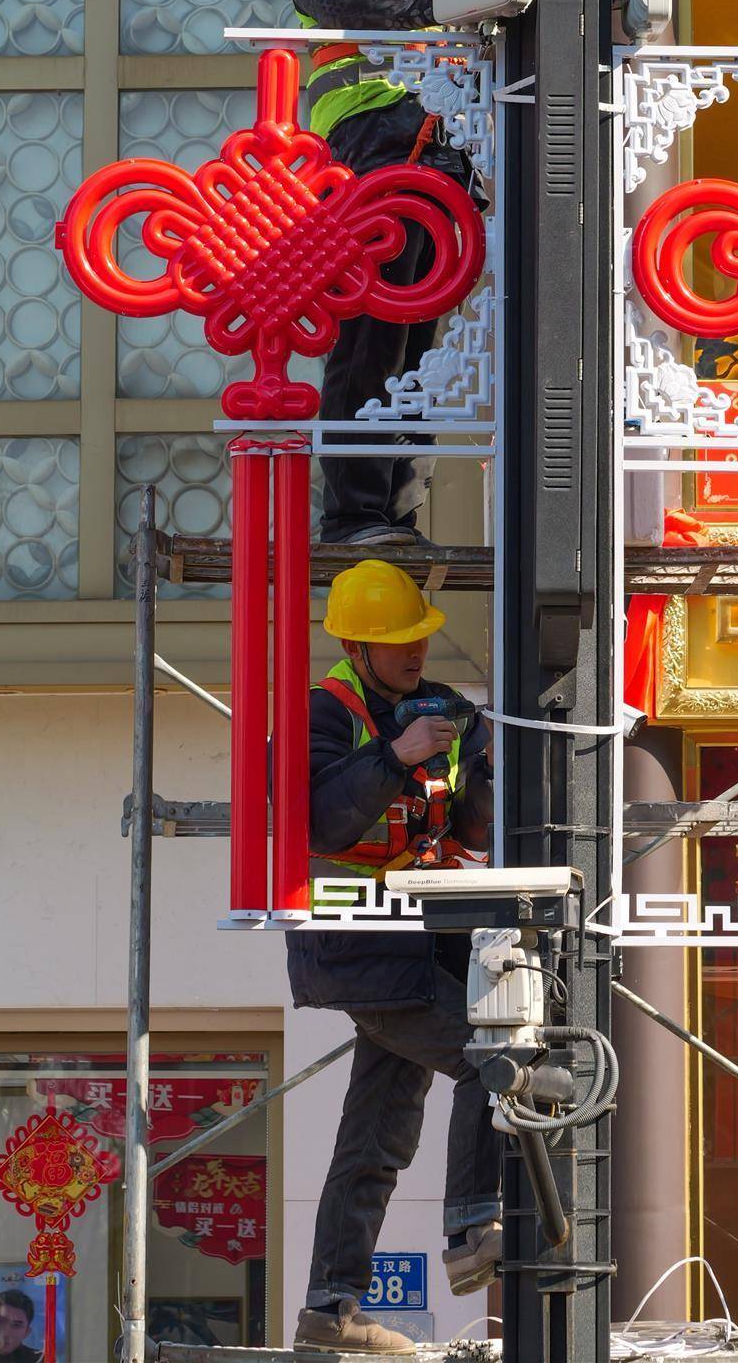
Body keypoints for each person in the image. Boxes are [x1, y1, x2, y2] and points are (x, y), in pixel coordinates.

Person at [290, 559, 501, 1357]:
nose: (414, 651)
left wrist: (482, 775)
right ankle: (472, 1228)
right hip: (356, 946)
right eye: (394, 640)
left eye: (417, 635)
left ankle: (329, 1313)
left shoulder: (442, 709)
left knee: (374, 1133)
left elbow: (469, 831)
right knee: (495, 1057)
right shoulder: (322, 713)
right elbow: (319, 823)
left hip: (420, 942)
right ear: (354, 643)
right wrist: (396, 754)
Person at [282, 0, 480, 548]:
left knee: (420, 332)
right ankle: (355, 514)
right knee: (372, 327)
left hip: (440, 146)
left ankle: (391, 511)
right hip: (371, 140)